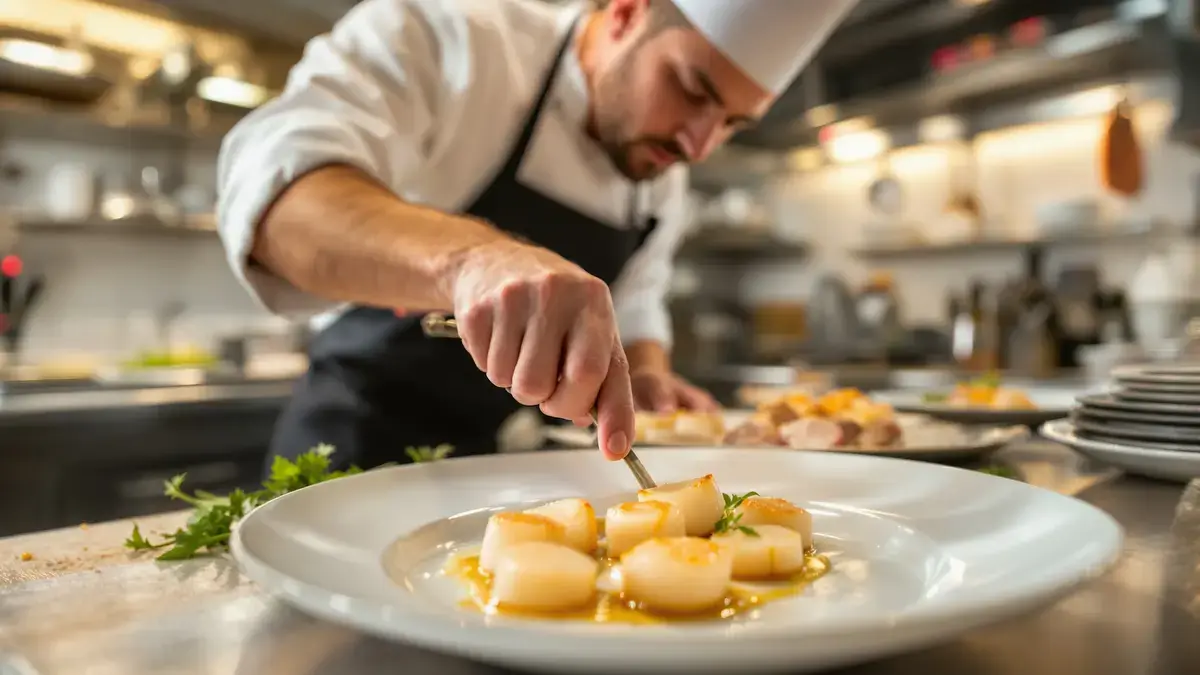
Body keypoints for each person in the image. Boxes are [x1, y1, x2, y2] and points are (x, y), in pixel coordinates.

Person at [215, 0, 857, 470]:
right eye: (690, 88)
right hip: (349, 448)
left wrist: (649, 373)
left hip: (495, 472)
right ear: (627, 14)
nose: (698, 144)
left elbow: (636, 298)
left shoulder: (658, 162)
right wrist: (473, 261)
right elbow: (277, 197)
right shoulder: (447, 36)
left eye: (732, 124)